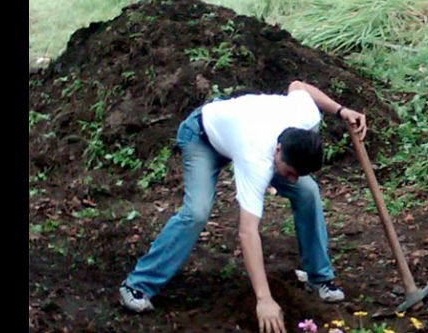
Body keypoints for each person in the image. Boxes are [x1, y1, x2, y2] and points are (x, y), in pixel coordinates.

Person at [119, 81, 368, 333]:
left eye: (298, 173)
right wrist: (264, 299)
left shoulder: (306, 117)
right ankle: (138, 285)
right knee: (197, 212)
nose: (291, 179)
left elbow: (298, 86)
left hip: (239, 133)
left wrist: (340, 110)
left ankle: (319, 278)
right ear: (278, 151)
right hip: (202, 136)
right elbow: (248, 232)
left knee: (308, 191)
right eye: (290, 173)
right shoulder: (256, 158)